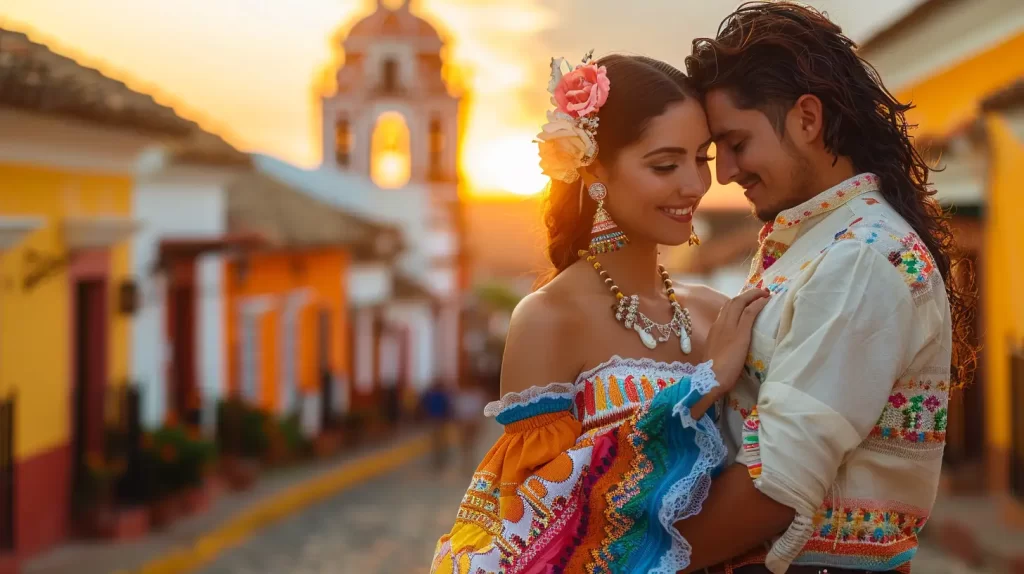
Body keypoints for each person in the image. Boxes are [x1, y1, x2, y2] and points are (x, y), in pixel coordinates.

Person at [430, 52, 768, 573]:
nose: (696, 184)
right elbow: (543, 528)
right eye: (665, 164)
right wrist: (703, 385)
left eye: (700, 157)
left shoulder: (715, 311)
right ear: (593, 170)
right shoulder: (548, 319)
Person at [674, 3, 970, 573]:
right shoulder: (821, 243)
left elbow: (775, 487)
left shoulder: (861, 259)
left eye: (736, 142)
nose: (726, 172)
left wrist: (615, 562)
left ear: (807, 119)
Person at [451, 380, 488, 472]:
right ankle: (466, 463)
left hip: (472, 422)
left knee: (471, 444)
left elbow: (481, 410)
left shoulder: (476, 394)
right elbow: (457, 409)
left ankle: (470, 462)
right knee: (464, 445)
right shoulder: (461, 395)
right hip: (464, 422)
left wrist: (480, 423)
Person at [421, 380, 453, 471]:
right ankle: (438, 453)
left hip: (439, 419)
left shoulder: (440, 395)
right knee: (437, 438)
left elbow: (447, 407)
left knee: (439, 437)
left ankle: (439, 453)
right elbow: (426, 406)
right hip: (436, 419)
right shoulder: (437, 395)